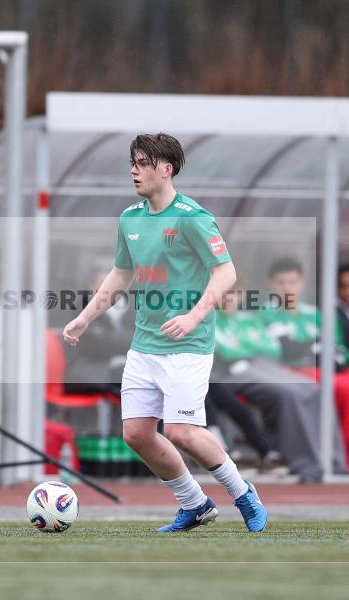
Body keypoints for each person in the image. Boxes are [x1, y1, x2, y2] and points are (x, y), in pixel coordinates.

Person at [63, 133, 266, 532]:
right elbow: (121, 273)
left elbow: (226, 273)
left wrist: (193, 316)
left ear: (166, 169)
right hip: (144, 346)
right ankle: (194, 504)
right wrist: (86, 317)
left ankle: (243, 493)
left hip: (188, 344)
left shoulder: (192, 217)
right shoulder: (130, 219)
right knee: (137, 434)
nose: (134, 170)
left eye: (142, 163)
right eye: (132, 163)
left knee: (181, 431)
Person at [260, 258, 349, 475]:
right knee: (344, 390)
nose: (287, 288)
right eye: (281, 282)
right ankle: (337, 458)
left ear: (301, 283)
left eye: (292, 282)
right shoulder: (265, 313)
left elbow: (333, 346)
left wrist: (315, 348)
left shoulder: (314, 313)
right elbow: (287, 349)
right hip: (294, 370)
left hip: (326, 368)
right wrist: (314, 347)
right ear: (271, 285)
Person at [212, 281, 346, 481]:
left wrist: (245, 346)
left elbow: (273, 349)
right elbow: (228, 352)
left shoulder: (250, 319)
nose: (229, 297)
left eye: (235, 292)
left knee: (315, 389)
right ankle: (302, 462)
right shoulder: (209, 319)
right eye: (224, 292)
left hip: (267, 366)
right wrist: (250, 347)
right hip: (232, 373)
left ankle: (332, 461)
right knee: (290, 393)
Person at [63, 264, 134, 397]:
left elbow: (139, 338)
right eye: (103, 282)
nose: (110, 287)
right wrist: (126, 341)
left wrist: (110, 338)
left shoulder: (128, 307)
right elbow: (95, 345)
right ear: (92, 284)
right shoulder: (82, 309)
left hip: (123, 366)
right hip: (89, 369)